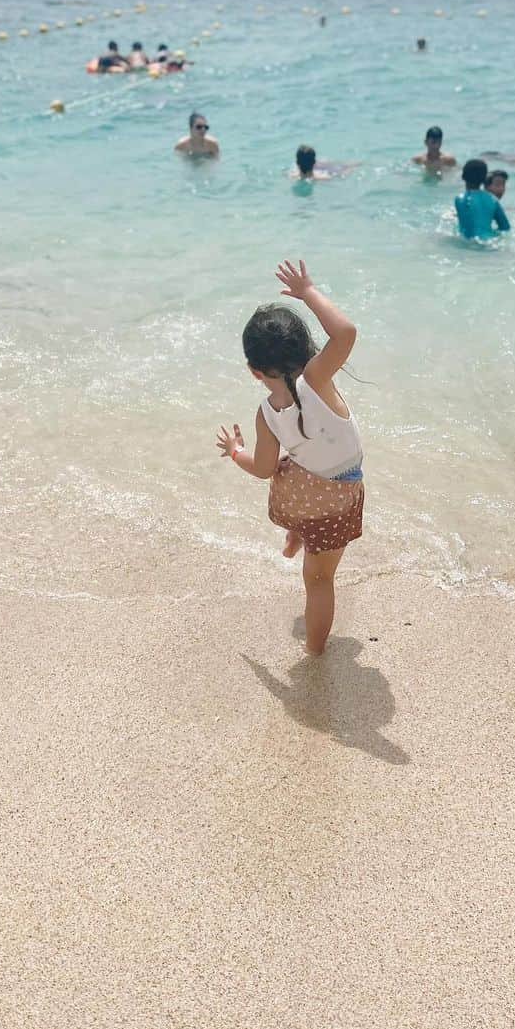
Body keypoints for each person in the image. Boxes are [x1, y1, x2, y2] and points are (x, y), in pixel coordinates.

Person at [216, 259, 363, 656]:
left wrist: (235, 452)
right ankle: (316, 652)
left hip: (300, 493)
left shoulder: (265, 413)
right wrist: (308, 292)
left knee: (295, 476)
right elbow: (346, 332)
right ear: (307, 349)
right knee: (319, 580)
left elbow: (264, 469)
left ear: (253, 371)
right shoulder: (317, 377)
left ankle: (297, 534)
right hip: (336, 494)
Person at [455, 159, 510, 239]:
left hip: (467, 244)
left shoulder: (459, 199)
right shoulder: (493, 200)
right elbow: (505, 227)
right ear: (484, 179)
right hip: (488, 241)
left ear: (463, 176)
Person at [292, 145, 360, 180]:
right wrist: (351, 169)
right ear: (314, 162)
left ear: (297, 163)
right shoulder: (324, 177)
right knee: (348, 166)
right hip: (327, 170)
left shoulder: (291, 175)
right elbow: (343, 174)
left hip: (316, 169)